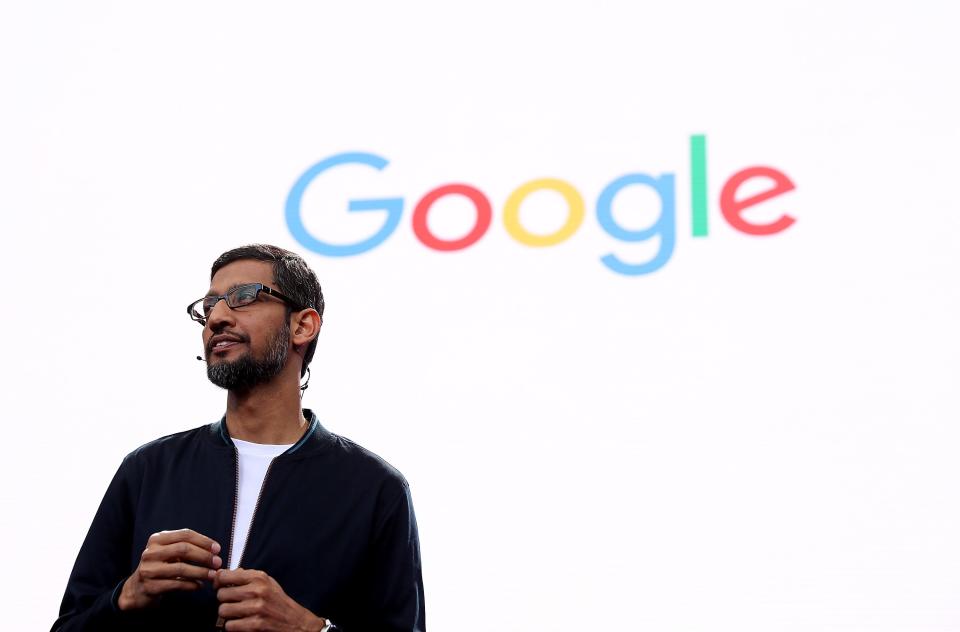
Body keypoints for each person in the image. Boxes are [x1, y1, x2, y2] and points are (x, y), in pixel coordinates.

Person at [53, 244, 426, 631]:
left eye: (243, 297)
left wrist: (311, 630)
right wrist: (126, 596)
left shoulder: (374, 488)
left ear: (303, 326)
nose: (215, 317)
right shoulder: (148, 470)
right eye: (209, 305)